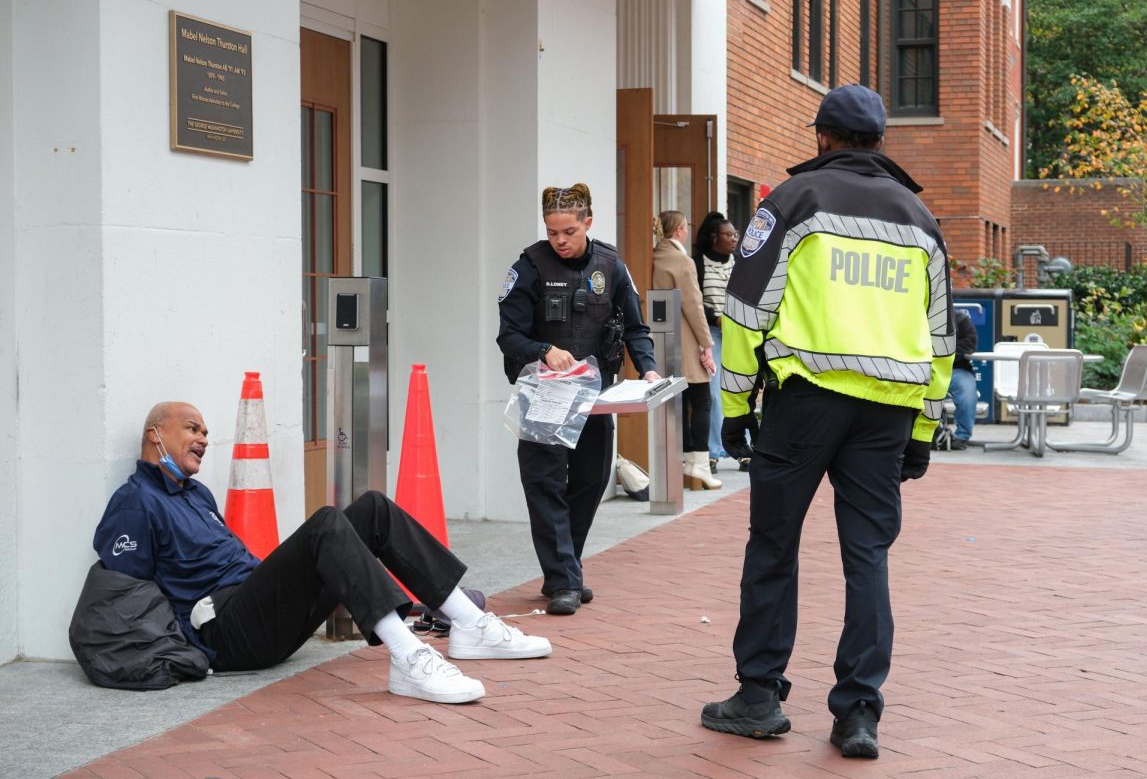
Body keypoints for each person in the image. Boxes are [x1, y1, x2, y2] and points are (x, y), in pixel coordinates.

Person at [700, 85, 955, 758]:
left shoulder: (791, 203)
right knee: (867, 557)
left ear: (822, 138)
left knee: (774, 547)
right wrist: (924, 431)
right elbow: (941, 340)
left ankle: (758, 697)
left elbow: (746, 313)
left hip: (804, 403)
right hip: (888, 414)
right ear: (880, 143)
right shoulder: (921, 219)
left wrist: (732, 409)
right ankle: (859, 713)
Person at [94, 402, 552, 705]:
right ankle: (407, 657)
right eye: (192, 429)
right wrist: (178, 654)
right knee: (326, 523)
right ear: (156, 435)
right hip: (222, 633)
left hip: (258, 609)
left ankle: (470, 627)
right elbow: (125, 595)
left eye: (206, 431)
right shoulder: (136, 501)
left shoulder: (194, 494)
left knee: (372, 508)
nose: (204, 439)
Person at [497, 183, 660, 616]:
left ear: (588, 221)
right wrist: (543, 350)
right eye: (552, 233)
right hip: (544, 396)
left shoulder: (612, 265)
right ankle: (565, 579)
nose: (560, 241)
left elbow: (636, 328)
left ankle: (565, 569)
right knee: (545, 484)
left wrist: (647, 369)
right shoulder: (528, 267)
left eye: (568, 231)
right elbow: (508, 335)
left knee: (590, 480)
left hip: (595, 396)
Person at [653, 210, 719, 490]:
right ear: (680, 230)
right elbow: (693, 304)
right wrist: (707, 343)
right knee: (702, 399)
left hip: (660, 339)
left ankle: (681, 461)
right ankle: (699, 466)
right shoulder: (682, 261)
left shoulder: (653, 256)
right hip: (686, 338)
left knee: (674, 402)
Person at [692, 212, 741, 473]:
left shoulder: (740, 262)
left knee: (739, 389)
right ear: (714, 238)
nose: (734, 239)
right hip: (711, 335)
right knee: (712, 391)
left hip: (738, 333)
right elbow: (694, 298)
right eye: (728, 235)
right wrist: (716, 318)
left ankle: (741, 448)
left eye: (735, 235)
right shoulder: (697, 263)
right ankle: (713, 450)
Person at [947, 308, 979, 448]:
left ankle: (962, 437)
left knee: (967, 395)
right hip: (926, 369)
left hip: (957, 369)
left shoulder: (960, 318)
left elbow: (970, 343)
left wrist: (945, 353)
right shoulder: (921, 316)